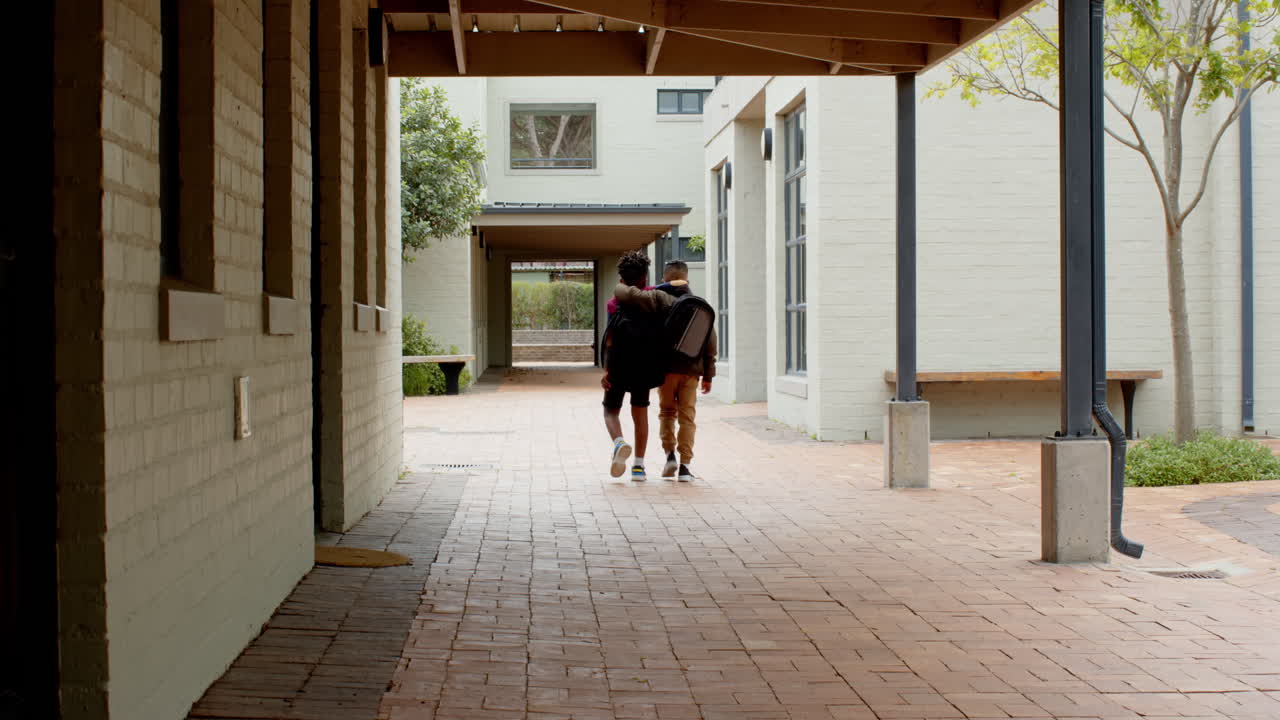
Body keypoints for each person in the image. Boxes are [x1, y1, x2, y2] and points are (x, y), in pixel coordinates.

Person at [614, 260, 716, 482]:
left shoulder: (659, 298)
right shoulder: (700, 304)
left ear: (664, 279)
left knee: (667, 412)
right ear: (687, 280)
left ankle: (670, 456)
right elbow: (710, 342)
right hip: (692, 371)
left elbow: (629, 295)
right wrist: (708, 375)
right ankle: (685, 467)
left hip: (667, 369)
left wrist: (620, 286)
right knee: (687, 416)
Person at [600, 250, 668, 480]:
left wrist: (607, 370)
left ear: (621, 280)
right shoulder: (655, 299)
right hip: (646, 365)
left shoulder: (613, 303)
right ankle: (638, 467)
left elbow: (610, 339)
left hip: (620, 363)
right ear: (644, 279)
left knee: (610, 411)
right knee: (640, 414)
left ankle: (619, 442)